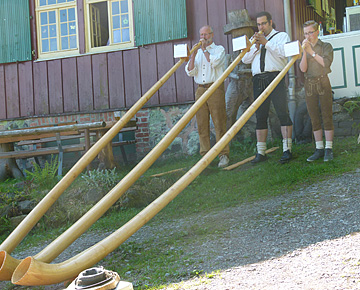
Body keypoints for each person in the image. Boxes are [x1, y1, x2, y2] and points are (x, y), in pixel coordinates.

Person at [242, 11, 293, 164]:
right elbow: (245, 59)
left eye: (263, 23)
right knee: (260, 115)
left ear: (270, 22)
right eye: (258, 24)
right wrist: (256, 47)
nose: (261, 27)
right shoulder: (254, 39)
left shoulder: (282, 36)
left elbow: (284, 53)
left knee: (282, 112)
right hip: (258, 79)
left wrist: (266, 43)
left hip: (275, 76)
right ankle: (261, 152)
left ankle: (287, 149)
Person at [185, 25, 230, 168]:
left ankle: (223, 155)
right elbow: (190, 71)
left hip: (215, 88)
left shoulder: (219, 50)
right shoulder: (197, 53)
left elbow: (214, 63)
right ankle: (205, 157)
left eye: (206, 34)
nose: (203, 37)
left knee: (219, 123)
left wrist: (204, 50)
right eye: (201, 35)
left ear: (212, 35)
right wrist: (192, 54)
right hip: (200, 89)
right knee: (202, 124)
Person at [299, 20, 334, 162]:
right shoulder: (305, 48)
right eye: (306, 33)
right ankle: (319, 148)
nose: (308, 36)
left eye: (310, 32)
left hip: (323, 81)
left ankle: (329, 149)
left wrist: (311, 52)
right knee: (313, 117)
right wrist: (304, 53)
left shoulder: (326, 46)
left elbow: (325, 63)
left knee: (327, 115)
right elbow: (303, 69)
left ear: (317, 32)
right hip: (309, 84)